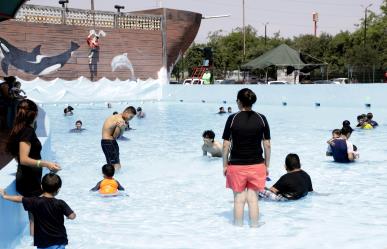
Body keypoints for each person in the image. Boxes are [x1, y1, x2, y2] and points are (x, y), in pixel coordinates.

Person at [6, 99, 61, 235]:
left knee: (34, 216)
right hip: (29, 180)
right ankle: (37, 242)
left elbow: (17, 155)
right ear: (35, 114)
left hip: (28, 177)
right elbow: (24, 159)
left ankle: (34, 242)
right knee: (36, 216)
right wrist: (46, 163)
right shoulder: (27, 132)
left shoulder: (19, 129)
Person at [222, 88, 271, 227]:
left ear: (239, 101)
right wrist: (267, 165)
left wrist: (224, 165)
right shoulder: (262, 118)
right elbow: (267, 145)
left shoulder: (232, 119)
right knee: (253, 199)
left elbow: (226, 145)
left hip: (236, 166)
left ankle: (237, 228)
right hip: (257, 165)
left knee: (238, 199)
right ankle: (254, 227)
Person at [0, 173, 76, 249]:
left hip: (43, 243)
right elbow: (72, 216)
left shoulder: (35, 201)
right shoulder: (60, 203)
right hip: (59, 241)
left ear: (41, 186)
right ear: (58, 189)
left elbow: (20, 199)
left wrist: (5, 196)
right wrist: (69, 216)